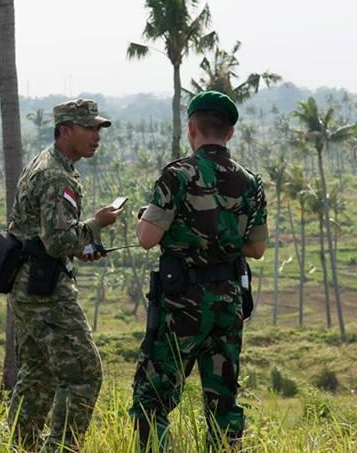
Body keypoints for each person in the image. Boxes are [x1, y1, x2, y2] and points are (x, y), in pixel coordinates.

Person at [130, 90, 268, 451]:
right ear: (230, 133)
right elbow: (257, 248)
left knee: (152, 400)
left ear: (192, 128)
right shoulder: (251, 183)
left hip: (182, 306)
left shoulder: (178, 175)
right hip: (228, 302)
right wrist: (222, 237)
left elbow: (147, 238)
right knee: (223, 403)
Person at [7, 99, 121, 451]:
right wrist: (96, 225)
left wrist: (80, 247)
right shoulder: (56, 175)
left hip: (29, 283)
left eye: (99, 128)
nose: (96, 135)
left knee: (37, 374)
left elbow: (44, 237)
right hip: (44, 290)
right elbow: (57, 240)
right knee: (85, 374)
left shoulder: (49, 164)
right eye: (88, 128)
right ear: (65, 130)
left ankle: (21, 447)